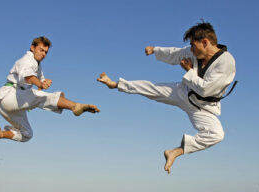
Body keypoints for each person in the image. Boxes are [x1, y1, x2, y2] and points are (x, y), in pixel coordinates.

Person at [97, 22, 236, 174]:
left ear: (205, 42)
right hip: (184, 91)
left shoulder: (226, 63)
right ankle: (115, 84)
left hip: (203, 107)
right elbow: (175, 53)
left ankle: (175, 152)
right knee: (152, 89)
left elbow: (206, 89)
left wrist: (189, 71)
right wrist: (155, 50)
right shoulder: (196, 52)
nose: (191, 49)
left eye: (193, 45)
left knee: (217, 134)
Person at [0, 36, 100, 142]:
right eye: (41, 50)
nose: (43, 54)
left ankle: (1, 134)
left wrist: (42, 84)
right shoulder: (27, 60)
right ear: (32, 48)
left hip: (8, 107)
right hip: (11, 95)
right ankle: (75, 106)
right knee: (44, 97)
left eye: (46, 52)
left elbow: (38, 85)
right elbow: (29, 77)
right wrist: (40, 84)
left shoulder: (37, 65)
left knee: (27, 134)